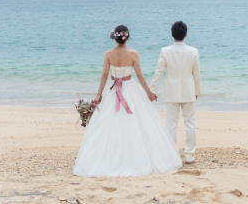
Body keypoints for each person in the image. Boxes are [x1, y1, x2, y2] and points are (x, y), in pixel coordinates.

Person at [72, 25, 183, 177]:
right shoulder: (133, 53)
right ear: (127, 37)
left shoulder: (108, 53)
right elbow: (140, 75)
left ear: (114, 37)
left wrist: (98, 95)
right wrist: (149, 93)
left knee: (107, 123)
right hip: (130, 88)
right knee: (137, 122)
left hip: (111, 89)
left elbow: (104, 75)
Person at [149, 20, 201, 164]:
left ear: (172, 34)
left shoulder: (165, 51)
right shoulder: (193, 51)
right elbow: (196, 74)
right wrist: (197, 90)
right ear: (186, 34)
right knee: (190, 124)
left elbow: (158, 72)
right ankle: (190, 155)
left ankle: (171, 155)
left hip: (171, 92)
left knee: (171, 124)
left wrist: (152, 90)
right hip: (189, 91)